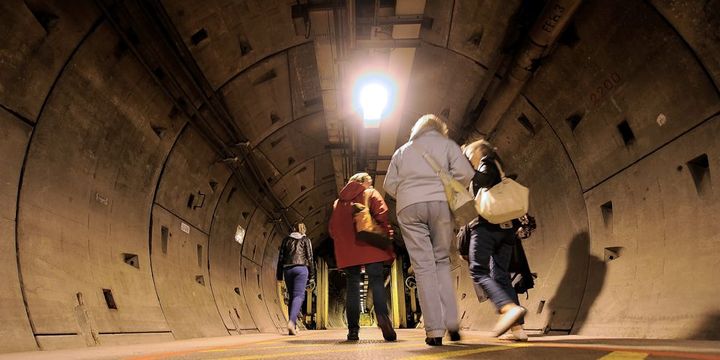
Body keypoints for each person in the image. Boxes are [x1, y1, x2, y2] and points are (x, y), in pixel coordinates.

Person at [384, 114, 475, 346]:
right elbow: (466, 174)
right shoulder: (447, 145)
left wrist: (408, 195)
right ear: (439, 129)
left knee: (424, 268)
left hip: (408, 208)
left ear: (417, 129)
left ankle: (434, 331)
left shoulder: (402, 151)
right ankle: (452, 324)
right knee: (442, 262)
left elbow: (389, 185)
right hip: (439, 204)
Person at [463, 139, 527, 340]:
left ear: (478, 151)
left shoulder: (487, 163)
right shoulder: (497, 167)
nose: (468, 159)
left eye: (469, 154)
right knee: (500, 275)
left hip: (487, 228)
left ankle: (507, 308)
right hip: (505, 229)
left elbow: (480, 181)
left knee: (478, 271)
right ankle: (517, 330)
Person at [328, 173, 397, 342]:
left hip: (349, 252)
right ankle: (381, 315)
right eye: (370, 182)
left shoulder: (338, 203)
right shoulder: (371, 193)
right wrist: (386, 234)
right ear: (364, 182)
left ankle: (353, 330)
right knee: (376, 281)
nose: (371, 184)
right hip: (371, 245)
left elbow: (332, 230)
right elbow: (382, 215)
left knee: (352, 287)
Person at [276, 223, 315, 335]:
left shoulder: (286, 240)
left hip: (287, 270)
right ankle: (292, 322)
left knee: (292, 297)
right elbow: (310, 258)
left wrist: (279, 275)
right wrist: (312, 276)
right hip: (301, 269)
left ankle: (293, 327)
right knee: (299, 296)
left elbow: (281, 258)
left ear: (293, 229)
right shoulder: (306, 240)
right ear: (303, 229)